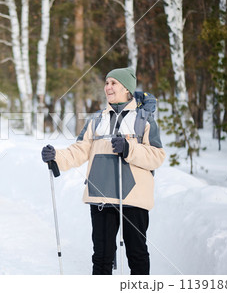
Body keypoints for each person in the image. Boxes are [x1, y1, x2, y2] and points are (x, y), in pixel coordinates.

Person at [41, 67, 165, 275]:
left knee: (137, 255)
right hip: (101, 197)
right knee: (101, 257)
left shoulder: (144, 120)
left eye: (113, 83)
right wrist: (57, 156)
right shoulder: (97, 119)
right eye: (106, 83)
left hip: (133, 199)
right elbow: (80, 150)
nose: (107, 87)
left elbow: (157, 156)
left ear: (127, 88)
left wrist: (129, 149)